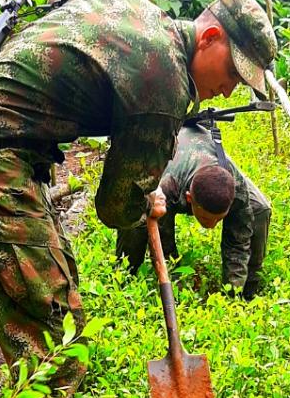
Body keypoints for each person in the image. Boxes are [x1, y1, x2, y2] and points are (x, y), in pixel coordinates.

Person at [0, 0, 277, 398]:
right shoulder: (165, 79)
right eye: (232, 73)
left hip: (6, 146)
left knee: (54, 278)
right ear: (210, 38)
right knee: (50, 310)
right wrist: (144, 203)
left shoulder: (144, 14)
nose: (229, 91)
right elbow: (114, 209)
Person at [116, 122, 272, 300]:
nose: (212, 226)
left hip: (209, 158)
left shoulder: (238, 190)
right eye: (206, 218)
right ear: (189, 199)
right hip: (176, 155)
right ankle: (124, 279)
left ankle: (249, 292)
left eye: (218, 219)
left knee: (260, 210)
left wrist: (232, 295)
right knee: (137, 217)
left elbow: (237, 244)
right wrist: (178, 289)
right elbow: (163, 244)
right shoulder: (169, 187)